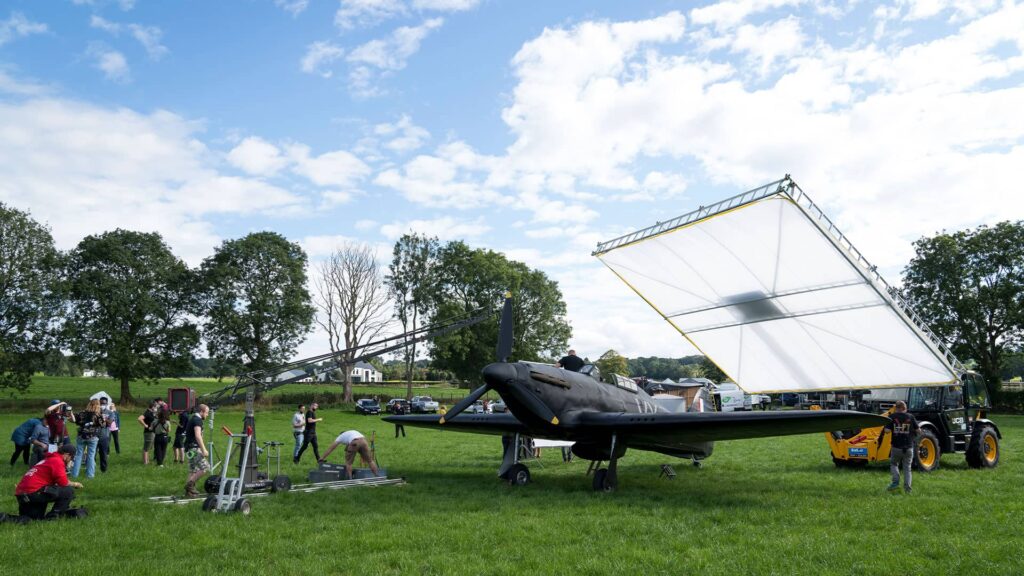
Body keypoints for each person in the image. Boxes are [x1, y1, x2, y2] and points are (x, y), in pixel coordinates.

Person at [14, 444, 83, 521]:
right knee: (68, 491)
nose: (71, 460)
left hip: (22, 494)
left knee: (32, 519)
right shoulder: (57, 461)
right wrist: (75, 484)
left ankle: (4, 518)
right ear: (67, 455)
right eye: (72, 457)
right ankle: (53, 517)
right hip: (32, 493)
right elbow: (64, 483)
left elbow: (58, 481)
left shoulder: (48, 459)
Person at [877, 400, 920, 494]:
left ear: (897, 408)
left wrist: (892, 427)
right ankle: (907, 489)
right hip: (908, 447)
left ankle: (895, 482)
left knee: (893, 464)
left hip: (896, 447)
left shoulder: (892, 417)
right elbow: (918, 431)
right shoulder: (911, 417)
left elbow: (887, 431)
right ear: (904, 408)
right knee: (907, 468)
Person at [183, 404, 210, 497]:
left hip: (188, 448)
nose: (207, 415)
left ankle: (188, 493)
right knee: (205, 467)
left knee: (193, 470)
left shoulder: (193, 418)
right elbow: (198, 436)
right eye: (206, 413)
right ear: (201, 412)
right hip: (193, 448)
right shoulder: (197, 420)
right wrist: (204, 450)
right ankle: (189, 486)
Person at [72, 399, 103, 479]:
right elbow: (102, 424)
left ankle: (74, 474)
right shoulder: (98, 415)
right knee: (91, 456)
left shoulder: (82, 413)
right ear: (98, 405)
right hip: (92, 436)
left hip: (81, 435)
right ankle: (90, 475)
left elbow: (76, 421)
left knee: (78, 455)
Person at [138, 399, 158, 465]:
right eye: (155, 407)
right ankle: (145, 462)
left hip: (153, 432)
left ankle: (147, 460)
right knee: (146, 448)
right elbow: (140, 418)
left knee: (149, 447)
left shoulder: (152, 413)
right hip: (148, 433)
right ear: (152, 407)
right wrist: (145, 425)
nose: (156, 408)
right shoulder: (147, 413)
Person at [96, 397, 112, 473]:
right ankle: (91, 468)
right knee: (92, 454)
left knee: (103, 454)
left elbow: (109, 423)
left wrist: (104, 418)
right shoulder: (95, 412)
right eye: (101, 403)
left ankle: (103, 470)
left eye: (104, 403)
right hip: (94, 435)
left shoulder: (110, 412)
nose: (102, 405)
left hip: (104, 436)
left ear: (106, 404)